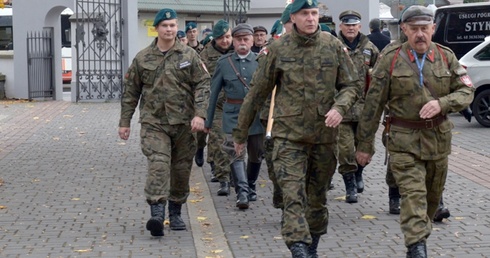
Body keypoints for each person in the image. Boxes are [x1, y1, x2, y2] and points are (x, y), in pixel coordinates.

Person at [232, 0, 359, 256]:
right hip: (288, 139)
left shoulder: (332, 45)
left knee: (316, 199)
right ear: (294, 18)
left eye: (314, 13)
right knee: (292, 195)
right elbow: (257, 94)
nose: (311, 18)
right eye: (304, 14)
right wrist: (240, 134)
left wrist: (339, 108)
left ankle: (310, 246)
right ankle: (297, 246)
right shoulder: (277, 49)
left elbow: (351, 86)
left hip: (323, 139)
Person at [355, 5, 474, 257]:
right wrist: (365, 145)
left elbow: (466, 91)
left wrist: (441, 103)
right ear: (405, 30)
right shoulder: (390, 58)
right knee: (413, 195)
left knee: (431, 200)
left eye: (425, 29)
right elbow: (372, 105)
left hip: (438, 141)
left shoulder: (446, 56)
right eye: (415, 29)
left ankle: (419, 236)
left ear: (433, 29)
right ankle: (417, 248)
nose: (420, 34)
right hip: (402, 141)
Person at [118, 8, 210, 237]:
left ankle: (176, 212)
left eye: (172, 25)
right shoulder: (142, 58)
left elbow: (203, 85)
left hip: (184, 124)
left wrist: (200, 115)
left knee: (180, 170)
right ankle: (157, 213)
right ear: (157, 28)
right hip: (154, 122)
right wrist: (124, 122)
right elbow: (131, 92)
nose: (169, 29)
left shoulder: (189, 55)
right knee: (158, 164)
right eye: (165, 25)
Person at [205, 23, 263, 209]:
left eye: (246, 39)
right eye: (238, 40)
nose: (242, 43)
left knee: (256, 153)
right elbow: (213, 94)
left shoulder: (261, 62)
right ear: (234, 42)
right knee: (234, 152)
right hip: (232, 115)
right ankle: (242, 192)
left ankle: (251, 185)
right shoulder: (224, 63)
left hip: (255, 115)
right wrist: (208, 119)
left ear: (252, 40)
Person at [337, 10, 379, 203]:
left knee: (366, 148)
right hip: (342, 111)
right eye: (347, 24)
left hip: (365, 110)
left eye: (354, 24)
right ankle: (350, 186)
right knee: (345, 150)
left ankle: (359, 172)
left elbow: (380, 77)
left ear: (360, 27)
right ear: (341, 26)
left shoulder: (370, 49)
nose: (351, 28)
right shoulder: (333, 47)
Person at [200, 19, 234, 194]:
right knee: (219, 141)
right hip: (217, 105)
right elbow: (201, 80)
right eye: (221, 38)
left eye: (228, 36)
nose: (225, 41)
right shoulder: (205, 55)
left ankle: (238, 177)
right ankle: (224, 179)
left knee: (237, 143)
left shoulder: (238, 50)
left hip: (238, 104)